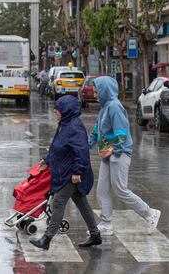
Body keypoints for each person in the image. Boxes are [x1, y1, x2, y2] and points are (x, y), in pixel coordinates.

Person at [89, 76, 161, 236]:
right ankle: (106, 224)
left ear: (105, 91)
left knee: (120, 189)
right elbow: (97, 130)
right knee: (102, 190)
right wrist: (87, 143)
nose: (95, 95)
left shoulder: (114, 107)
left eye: (97, 92)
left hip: (119, 154)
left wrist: (109, 149)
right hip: (108, 153)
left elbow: (121, 135)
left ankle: (150, 213)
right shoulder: (104, 107)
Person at [30, 95, 101, 250]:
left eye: (57, 112)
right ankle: (95, 235)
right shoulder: (64, 124)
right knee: (82, 203)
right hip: (66, 171)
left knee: (59, 202)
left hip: (72, 173)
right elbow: (58, 147)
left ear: (66, 111)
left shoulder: (74, 127)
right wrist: (47, 160)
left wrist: (77, 173)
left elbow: (81, 152)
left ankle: (46, 239)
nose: (56, 114)